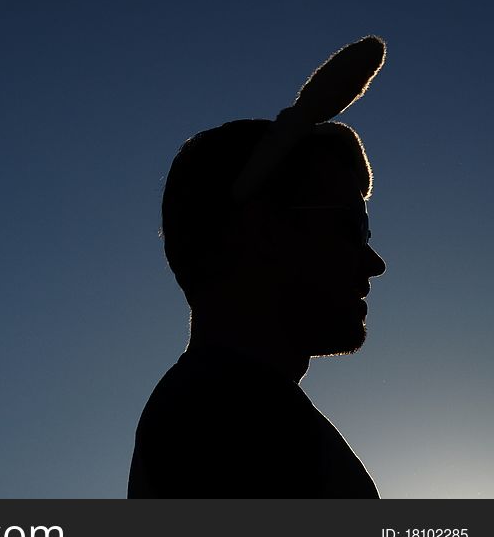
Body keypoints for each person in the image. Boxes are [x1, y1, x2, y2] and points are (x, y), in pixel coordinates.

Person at [128, 37, 388, 498]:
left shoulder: (228, 407)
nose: (374, 262)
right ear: (264, 230)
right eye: (351, 228)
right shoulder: (223, 416)